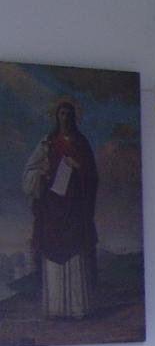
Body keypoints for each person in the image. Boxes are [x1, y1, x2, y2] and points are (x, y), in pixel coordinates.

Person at [21, 99, 99, 318]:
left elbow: (92, 176)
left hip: (74, 207)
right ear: (56, 117)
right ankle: (56, 309)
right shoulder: (47, 143)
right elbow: (29, 171)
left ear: (74, 117)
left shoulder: (81, 143)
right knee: (52, 248)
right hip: (52, 207)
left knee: (75, 251)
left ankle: (76, 308)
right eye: (61, 113)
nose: (65, 117)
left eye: (68, 113)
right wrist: (42, 173)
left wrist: (78, 166)